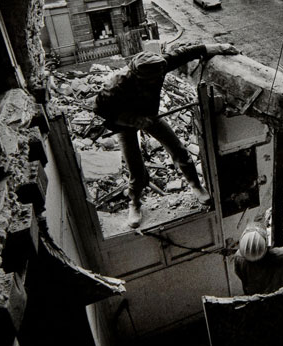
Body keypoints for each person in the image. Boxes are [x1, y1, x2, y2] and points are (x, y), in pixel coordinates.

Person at [94, 44, 239, 228]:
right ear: (139, 77)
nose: (157, 81)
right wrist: (131, 120)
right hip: (125, 125)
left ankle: (196, 185)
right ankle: (135, 204)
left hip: (151, 117)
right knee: (136, 170)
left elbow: (186, 52)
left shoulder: (160, 65)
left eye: (159, 77)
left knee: (179, 151)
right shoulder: (117, 84)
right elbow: (99, 109)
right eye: (152, 80)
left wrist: (219, 47)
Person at [234, 221, 283, 295]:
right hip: (279, 299)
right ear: (265, 244)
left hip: (254, 301)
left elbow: (241, 276)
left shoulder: (238, 258)